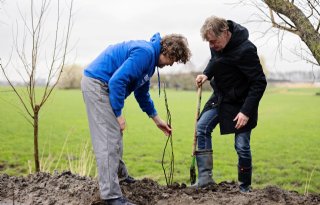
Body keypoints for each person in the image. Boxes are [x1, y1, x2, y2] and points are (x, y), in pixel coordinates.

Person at [81, 33, 191, 205]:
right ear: (169, 52)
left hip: (102, 85)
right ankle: (112, 197)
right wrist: (118, 114)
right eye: (173, 60)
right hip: (97, 85)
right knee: (109, 137)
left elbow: (142, 93)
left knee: (114, 135)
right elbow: (117, 81)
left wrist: (157, 120)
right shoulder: (145, 53)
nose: (171, 64)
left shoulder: (149, 63)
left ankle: (120, 176)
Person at [193, 16, 267, 192]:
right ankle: (204, 179)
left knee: (241, 146)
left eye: (214, 41)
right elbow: (215, 60)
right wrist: (206, 74)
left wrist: (246, 112)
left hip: (242, 104)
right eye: (209, 43)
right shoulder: (217, 46)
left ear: (226, 33)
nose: (212, 46)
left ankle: (244, 187)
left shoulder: (246, 50)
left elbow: (259, 82)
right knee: (202, 127)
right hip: (220, 97)